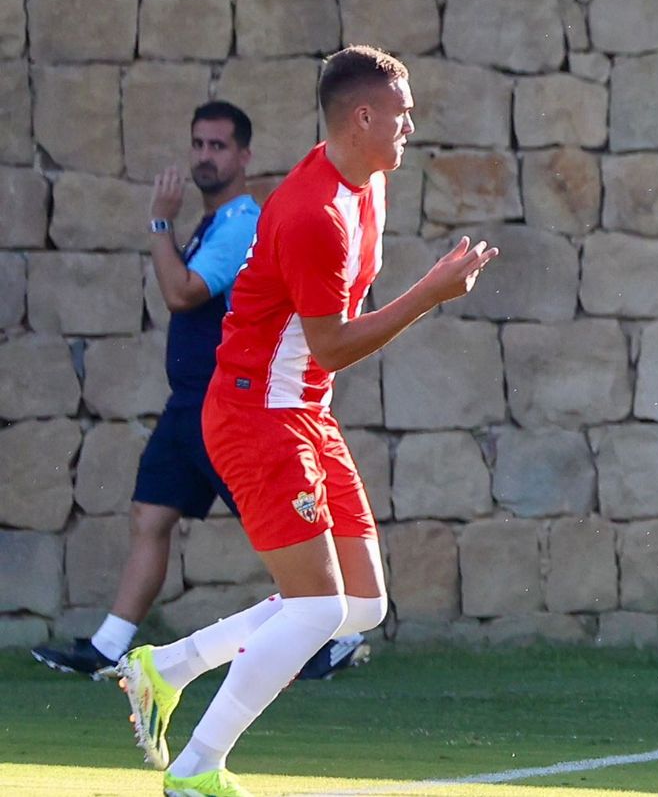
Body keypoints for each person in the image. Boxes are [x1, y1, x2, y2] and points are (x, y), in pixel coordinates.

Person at [113, 46, 498, 797]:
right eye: (402, 111)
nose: (412, 124)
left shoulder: (369, 188)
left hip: (302, 412)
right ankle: (196, 770)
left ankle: (169, 666)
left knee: (360, 605)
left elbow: (323, 342)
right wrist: (428, 294)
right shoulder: (313, 212)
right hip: (257, 413)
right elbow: (332, 342)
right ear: (363, 117)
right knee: (319, 603)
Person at [30, 103, 366, 683]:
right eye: (199, 145)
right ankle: (113, 644)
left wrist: (160, 223)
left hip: (227, 402)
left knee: (287, 524)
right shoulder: (215, 222)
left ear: (243, 157)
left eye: (218, 146)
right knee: (150, 514)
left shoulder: (242, 222)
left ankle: (335, 635)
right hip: (188, 403)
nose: (205, 157)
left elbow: (183, 292)